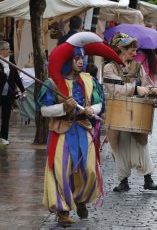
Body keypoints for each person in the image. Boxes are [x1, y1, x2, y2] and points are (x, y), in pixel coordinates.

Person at [37, 32, 122, 227]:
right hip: (61, 131)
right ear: (68, 60)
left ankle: (80, 198)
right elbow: (44, 110)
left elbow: (100, 102)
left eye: (82, 58)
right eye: (76, 58)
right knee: (60, 170)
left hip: (83, 128)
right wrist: (63, 108)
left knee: (89, 169)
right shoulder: (52, 83)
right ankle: (62, 211)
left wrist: (94, 109)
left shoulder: (89, 80)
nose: (80, 62)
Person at [103, 32, 157, 193]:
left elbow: (148, 84)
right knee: (119, 144)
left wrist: (155, 91)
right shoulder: (109, 68)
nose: (135, 53)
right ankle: (123, 180)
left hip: (137, 113)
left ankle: (148, 178)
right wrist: (135, 88)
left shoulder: (138, 66)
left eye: (136, 50)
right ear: (121, 49)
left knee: (141, 143)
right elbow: (115, 89)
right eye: (131, 50)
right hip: (118, 113)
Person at [0, 41, 26, 145]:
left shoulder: (11, 60)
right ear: (2, 50)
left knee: (6, 116)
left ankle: (4, 137)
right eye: (7, 49)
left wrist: (22, 89)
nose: (9, 51)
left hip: (8, 93)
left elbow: (16, 76)